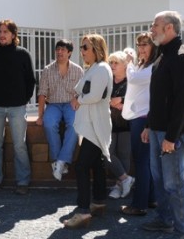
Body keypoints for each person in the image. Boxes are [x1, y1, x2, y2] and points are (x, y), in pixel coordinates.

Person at [141, 11, 184, 237]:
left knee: (174, 184)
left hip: (170, 135)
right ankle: (164, 220)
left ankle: (181, 230)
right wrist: (148, 125)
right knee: (160, 180)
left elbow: (182, 102)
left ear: (169, 28)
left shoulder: (183, 57)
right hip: (156, 130)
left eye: (155, 25)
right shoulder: (161, 56)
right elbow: (157, 97)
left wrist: (171, 137)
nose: (152, 29)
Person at [63, 34, 113, 229]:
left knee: (82, 167)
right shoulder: (94, 68)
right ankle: (99, 202)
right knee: (97, 165)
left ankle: (83, 211)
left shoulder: (101, 69)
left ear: (96, 49)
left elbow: (95, 95)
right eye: (82, 48)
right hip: (93, 125)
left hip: (95, 126)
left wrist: (78, 100)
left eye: (85, 47)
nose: (82, 51)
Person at [0, 19, 36, 195]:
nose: (2, 35)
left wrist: (24, 99)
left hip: (17, 107)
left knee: (19, 145)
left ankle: (23, 182)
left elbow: (31, 80)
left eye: (5, 32)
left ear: (13, 35)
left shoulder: (23, 54)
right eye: (0, 31)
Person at [120, 32, 160, 216]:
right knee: (146, 162)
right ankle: (150, 199)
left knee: (141, 162)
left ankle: (139, 204)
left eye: (145, 44)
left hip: (143, 119)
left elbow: (134, 78)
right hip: (140, 116)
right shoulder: (144, 65)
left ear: (153, 46)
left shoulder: (153, 66)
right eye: (139, 44)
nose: (141, 48)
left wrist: (128, 62)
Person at [36, 39, 83, 181]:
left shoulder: (78, 70)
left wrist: (77, 99)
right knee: (49, 123)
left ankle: (61, 161)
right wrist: (40, 116)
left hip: (70, 103)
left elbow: (82, 91)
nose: (59, 52)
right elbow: (42, 93)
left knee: (75, 125)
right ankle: (58, 162)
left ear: (69, 53)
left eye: (63, 49)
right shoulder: (47, 69)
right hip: (53, 104)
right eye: (58, 49)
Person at [105, 51, 135, 199]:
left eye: (116, 63)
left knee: (124, 155)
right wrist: (110, 102)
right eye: (111, 62)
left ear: (125, 65)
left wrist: (122, 102)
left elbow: (137, 100)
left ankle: (119, 186)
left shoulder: (131, 80)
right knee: (107, 153)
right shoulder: (108, 80)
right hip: (109, 123)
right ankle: (125, 179)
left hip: (126, 123)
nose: (113, 65)